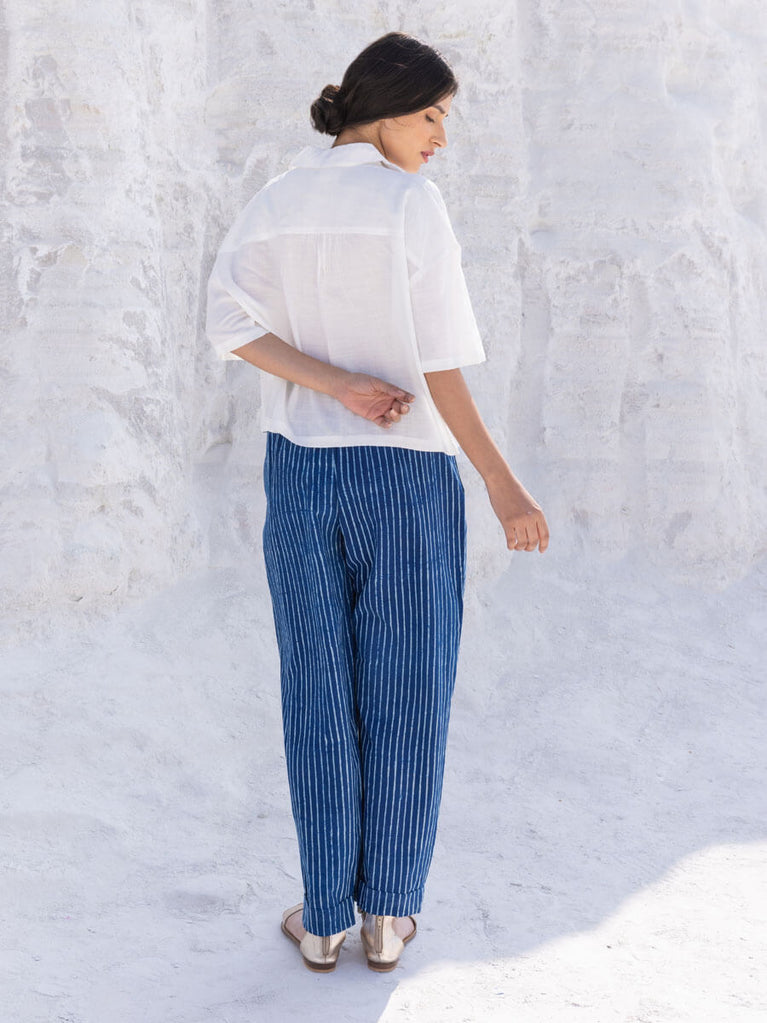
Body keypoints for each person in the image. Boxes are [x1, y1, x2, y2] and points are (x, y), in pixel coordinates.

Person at [206, 30, 549, 974]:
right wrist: (500, 480)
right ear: (386, 108)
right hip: (402, 477)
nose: (440, 135)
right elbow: (437, 361)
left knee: (316, 689)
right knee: (406, 692)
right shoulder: (409, 203)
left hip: (299, 473)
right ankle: (388, 915)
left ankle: (322, 917)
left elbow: (228, 324)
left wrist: (334, 385)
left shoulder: (278, 196)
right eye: (431, 114)